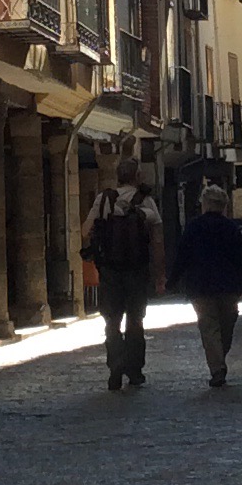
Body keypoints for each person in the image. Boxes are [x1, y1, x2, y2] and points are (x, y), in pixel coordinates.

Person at [81, 155, 164, 390]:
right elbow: (158, 241)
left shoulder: (103, 200)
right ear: (137, 176)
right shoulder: (146, 201)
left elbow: (85, 230)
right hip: (137, 270)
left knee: (112, 321)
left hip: (110, 271)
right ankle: (135, 370)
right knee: (135, 321)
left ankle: (115, 366)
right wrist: (160, 275)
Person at [168, 183, 242, 386]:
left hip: (201, 286)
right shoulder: (230, 228)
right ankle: (218, 366)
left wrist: (172, 281)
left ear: (205, 204)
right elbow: (240, 258)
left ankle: (217, 364)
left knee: (209, 328)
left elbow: (182, 257)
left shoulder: (194, 227)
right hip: (228, 286)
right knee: (226, 326)